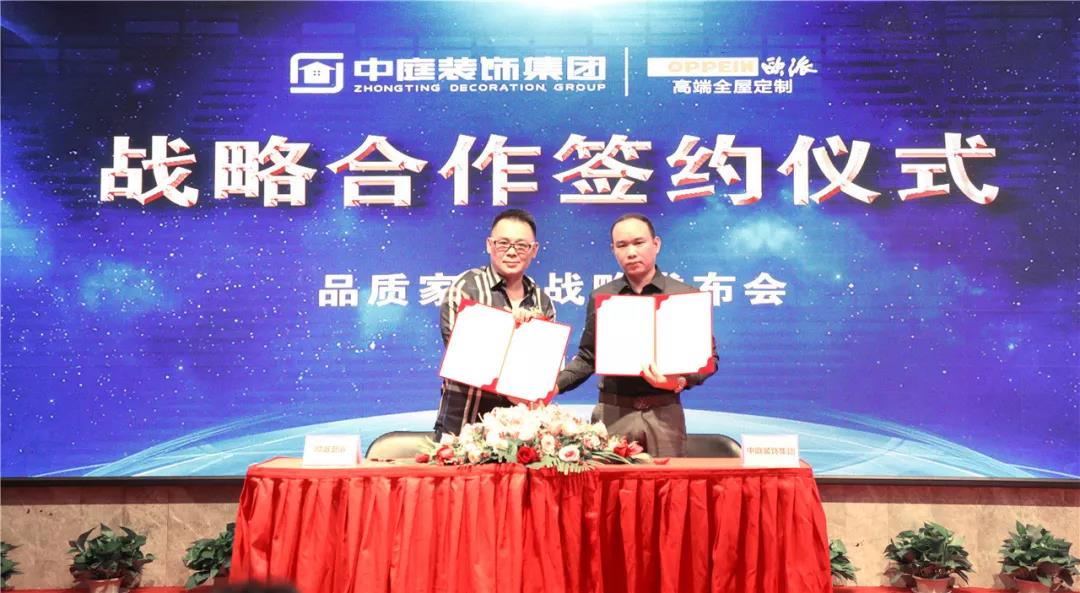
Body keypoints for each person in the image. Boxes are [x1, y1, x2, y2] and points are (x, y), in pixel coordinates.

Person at [556, 213, 717, 457]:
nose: (631, 252)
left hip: (664, 413)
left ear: (656, 244)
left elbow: (709, 359)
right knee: (610, 481)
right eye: (622, 245)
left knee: (667, 481)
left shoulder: (685, 296)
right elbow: (588, 357)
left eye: (639, 242)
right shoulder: (602, 298)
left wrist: (679, 381)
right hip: (612, 413)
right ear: (613, 250)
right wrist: (553, 385)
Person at [434, 208, 557, 439]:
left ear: (534, 250)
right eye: (503, 244)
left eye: (521, 246)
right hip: (463, 430)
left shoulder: (542, 301)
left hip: (519, 436)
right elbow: (461, 356)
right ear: (489, 245)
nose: (511, 252)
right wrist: (512, 330)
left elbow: (543, 370)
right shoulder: (466, 288)